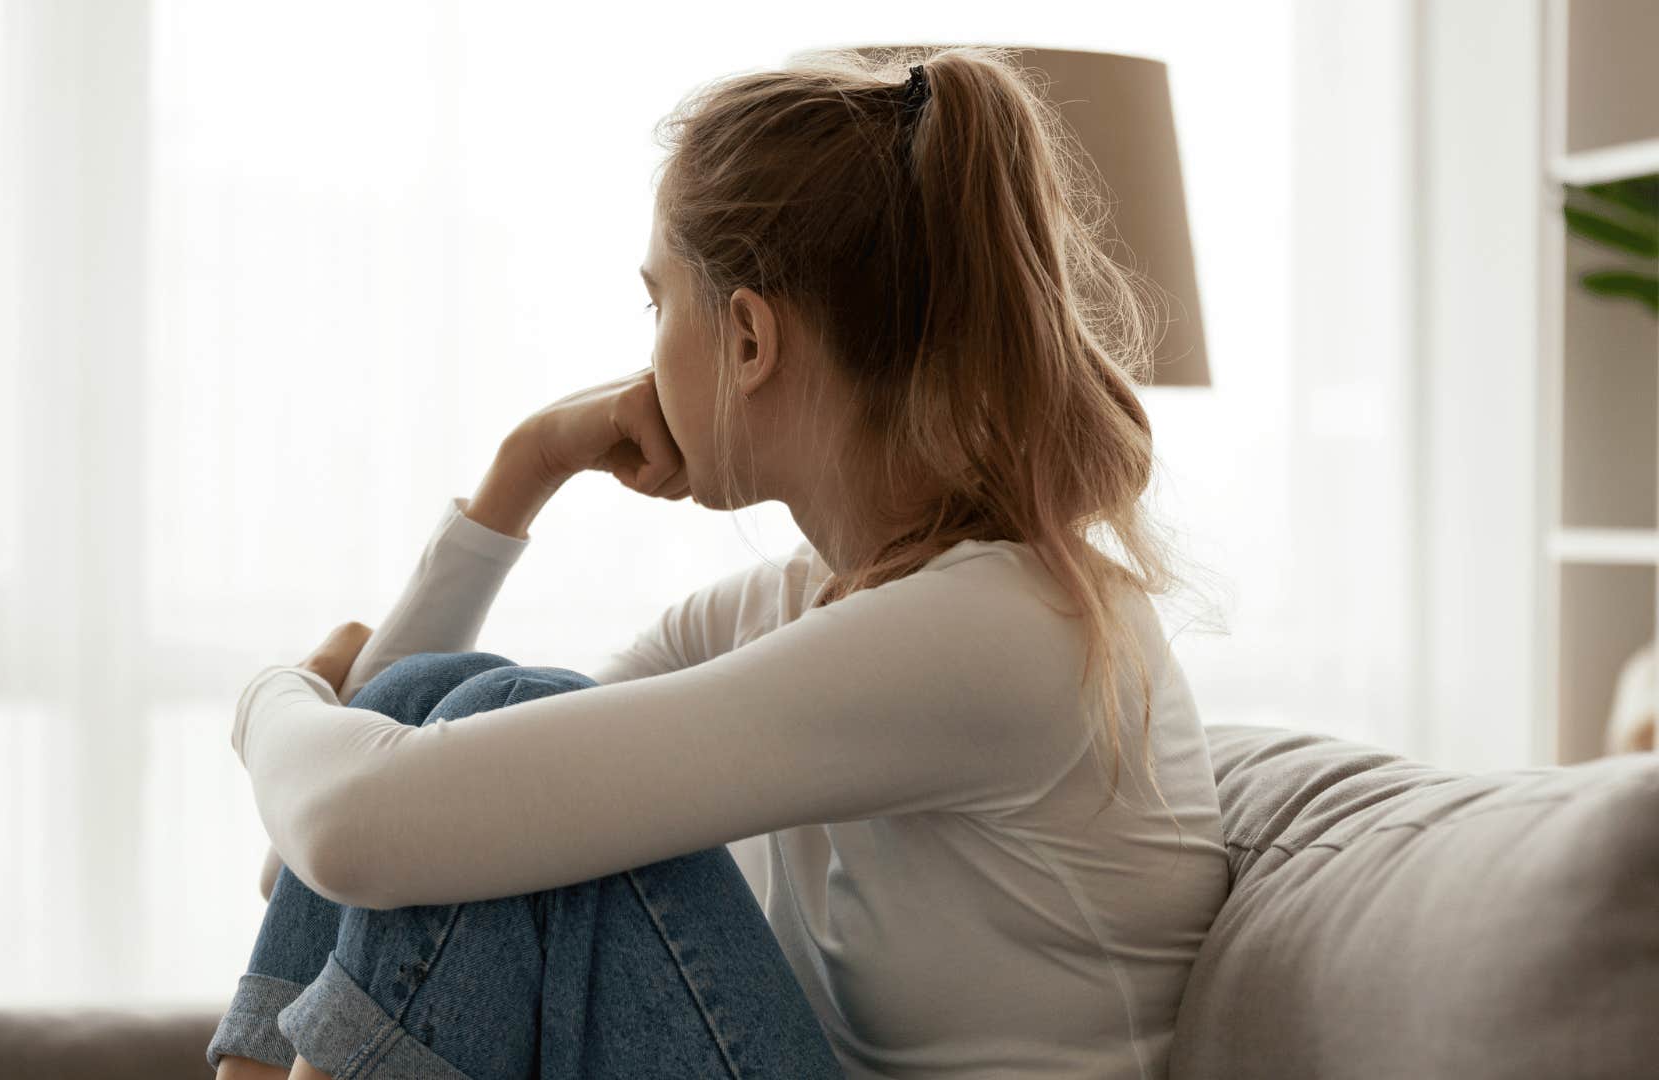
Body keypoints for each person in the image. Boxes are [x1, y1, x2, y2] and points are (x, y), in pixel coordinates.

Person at [210, 45, 1229, 1080]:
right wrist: (525, 470)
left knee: (493, 712)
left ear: (748, 340)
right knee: (463, 700)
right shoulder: (808, 604)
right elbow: (406, 842)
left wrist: (272, 700)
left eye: (658, 305)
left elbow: (350, 828)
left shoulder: (1001, 632)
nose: (647, 352)